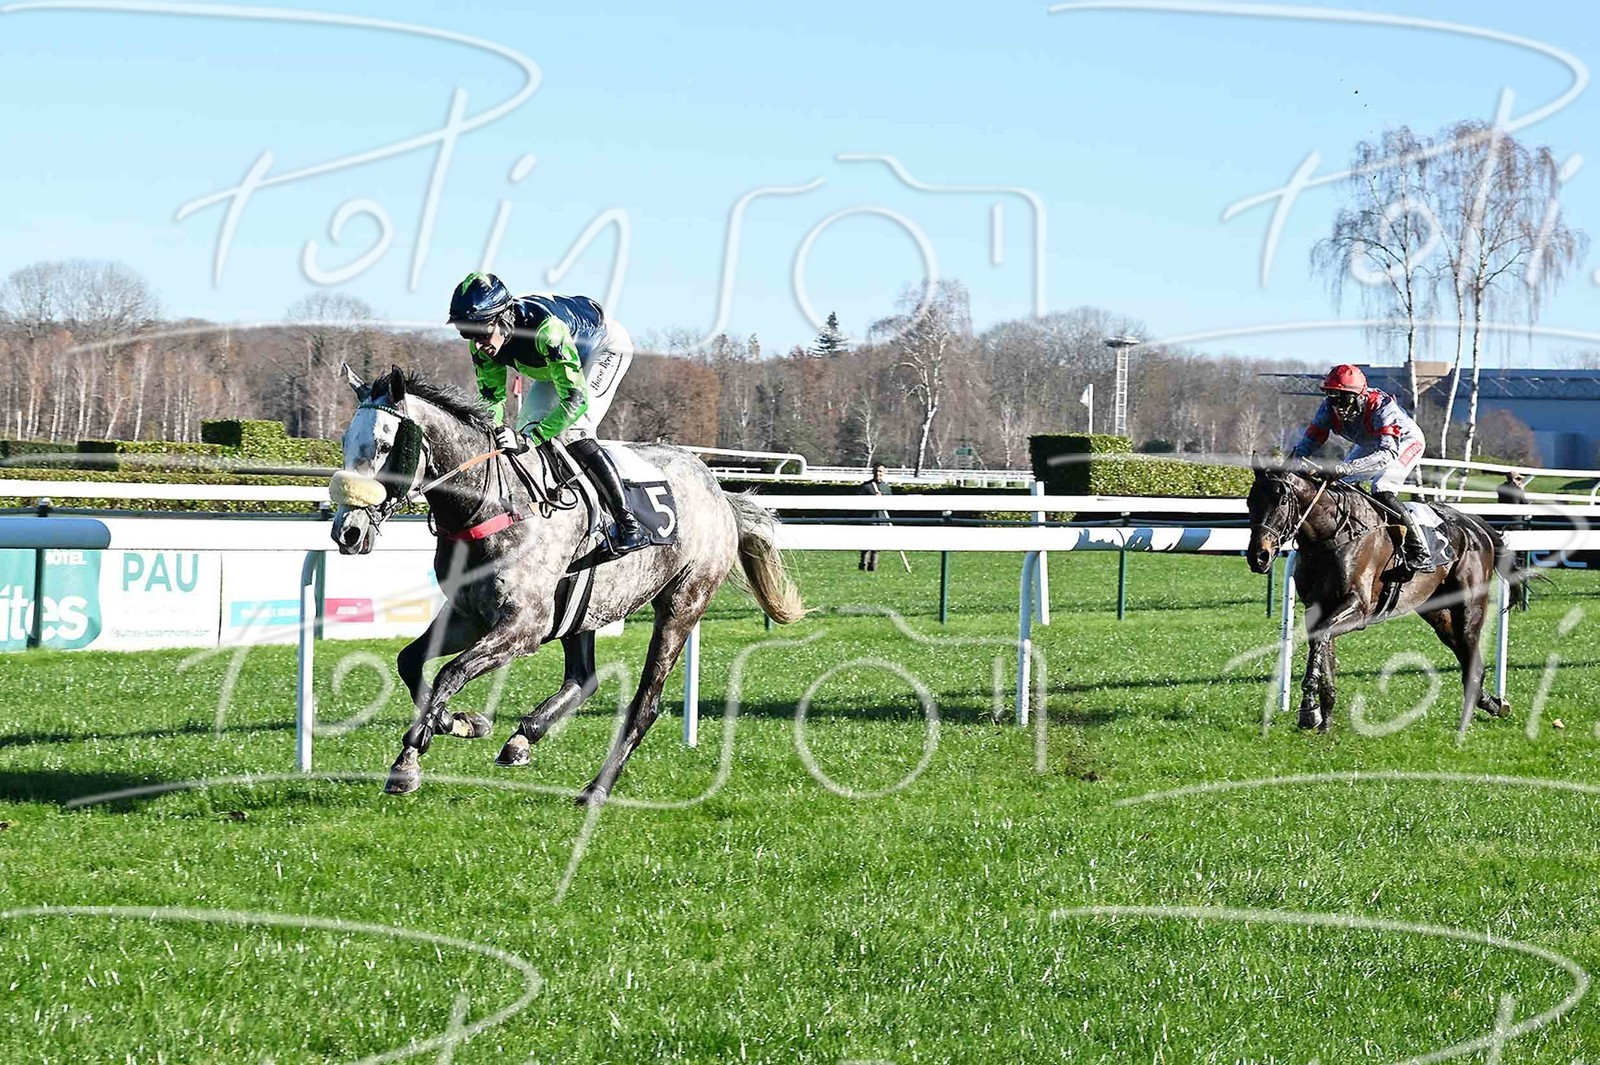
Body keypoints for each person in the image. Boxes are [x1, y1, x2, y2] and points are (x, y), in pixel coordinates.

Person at [447, 271, 649, 559]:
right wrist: (494, 433)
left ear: (501, 319)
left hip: (603, 348)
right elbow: (492, 400)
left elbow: (575, 400)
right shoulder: (483, 345)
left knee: (573, 430)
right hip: (553, 363)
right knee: (523, 428)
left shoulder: (547, 331)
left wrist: (531, 439)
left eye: (480, 333)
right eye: (466, 334)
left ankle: (629, 524)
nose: (477, 344)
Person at [1289, 363, 1435, 572]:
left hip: (1404, 443)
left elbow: (1387, 454)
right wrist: (1292, 460)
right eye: (1333, 396)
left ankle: (1420, 551)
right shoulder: (1327, 408)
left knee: (1381, 487)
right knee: (1338, 485)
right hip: (1371, 443)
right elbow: (1312, 438)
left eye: (1345, 398)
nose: (1338, 405)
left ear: (1360, 396)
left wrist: (1348, 468)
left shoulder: (1383, 408)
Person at [856, 463, 891, 571]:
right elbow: (859, 502)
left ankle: (874, 565)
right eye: (876, 471)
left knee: (877, 545)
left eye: (880, 471)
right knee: (866, 544)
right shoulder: (866, 486)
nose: (878, 473)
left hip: (881, 519)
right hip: (869, 519)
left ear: (884, 473)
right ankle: (863, 565)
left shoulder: (886, 487)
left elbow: (890, 503)